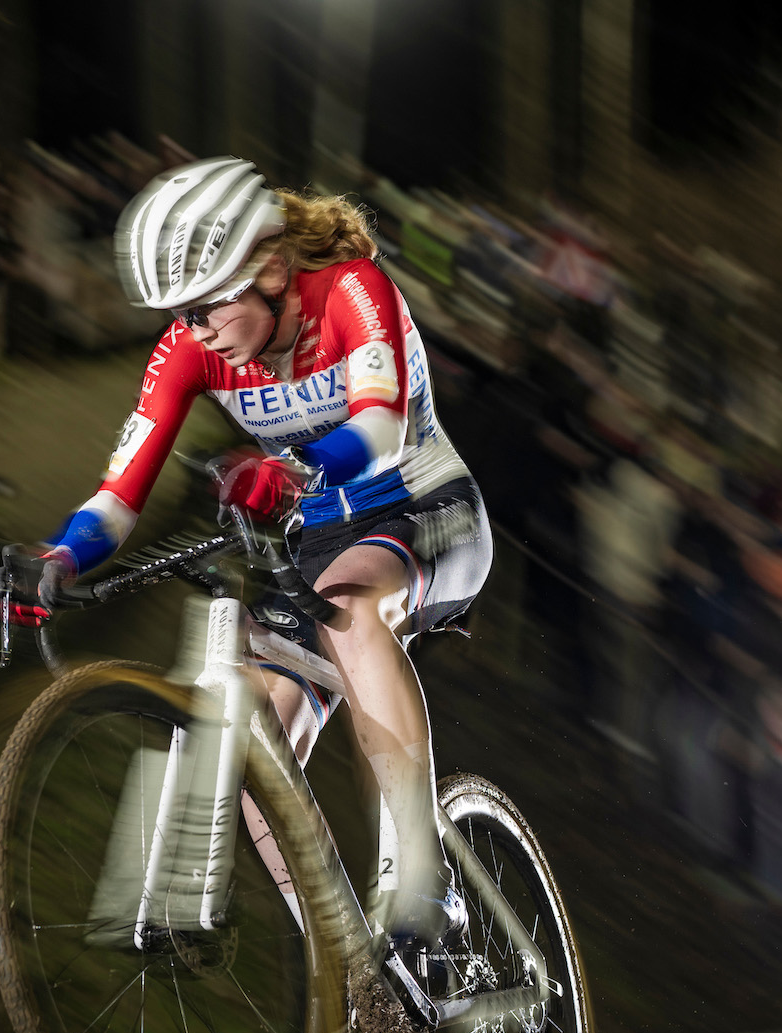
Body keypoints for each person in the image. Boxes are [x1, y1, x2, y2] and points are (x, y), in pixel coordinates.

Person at [32, 157, 492, 949]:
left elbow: (381, 428)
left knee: (350, 613)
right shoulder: (191, 345)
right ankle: (340, 962)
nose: (196, 330)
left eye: (207, 307)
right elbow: (119, 493)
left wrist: (294, 467)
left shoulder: (349, 290)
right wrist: (62, 558)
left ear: (271, 269)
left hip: (422, 506)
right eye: (180, 313)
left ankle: (420, 874)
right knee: (242, 730)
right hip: (318, 537)